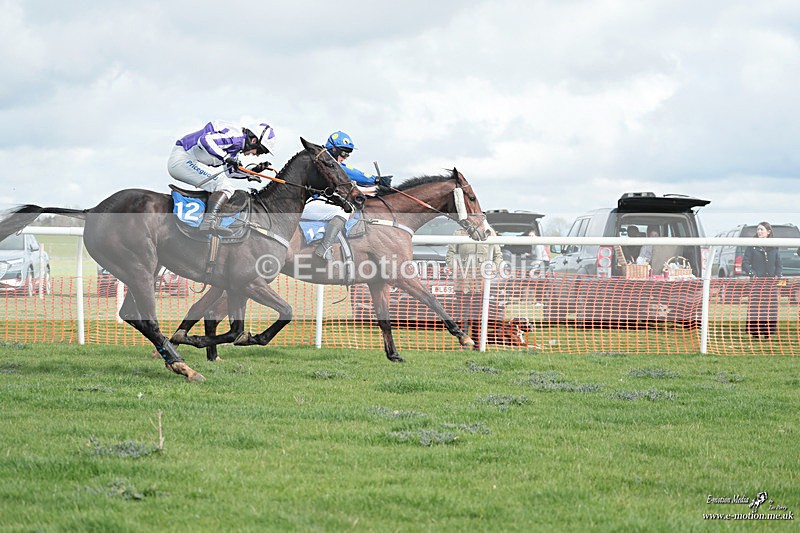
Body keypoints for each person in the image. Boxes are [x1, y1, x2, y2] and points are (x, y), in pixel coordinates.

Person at [168, 120, 275, 234]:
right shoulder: (236, 137)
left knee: (224, 185)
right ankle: (208, 223)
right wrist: (226, 157)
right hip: (182, 159)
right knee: (225, 186)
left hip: (186, 160)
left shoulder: (237, 146)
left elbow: (230, 172)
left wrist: (253, 172)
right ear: (253, 140)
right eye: (260, 151)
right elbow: (205, 140)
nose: (257, 155)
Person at [305, 131, 389, 258]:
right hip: (309, 203)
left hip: (317, 203)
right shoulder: (326, 163)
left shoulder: (329, 163)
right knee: (343, 211)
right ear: (333, 149)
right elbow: (349, 171)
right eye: (344, 153)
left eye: (348, 154)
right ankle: (324, 248)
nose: (346, 157)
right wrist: (375, 179)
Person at [446, 227, 503, 348]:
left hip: (481, 283)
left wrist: (493, 268)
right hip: (462, 282)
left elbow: (498, 256)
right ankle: (464, 342)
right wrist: (455, 269)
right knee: (463, 313)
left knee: (478, 314)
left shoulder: (490, 233)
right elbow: (450, 254)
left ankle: (477, 343)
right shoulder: (459, 233)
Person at [742, 222, 782, 339]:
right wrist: (753, 274)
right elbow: (745, 263)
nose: (759, 232)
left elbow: (779, 264)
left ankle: (768, 332)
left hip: (771, 283)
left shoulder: (774, 246)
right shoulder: (752, 246)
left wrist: (777, 275)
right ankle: (755, 332)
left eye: (762, 230)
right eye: (758, 230)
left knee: (770, 307)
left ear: (768, 232)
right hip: (757, 283)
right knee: (756, 306)